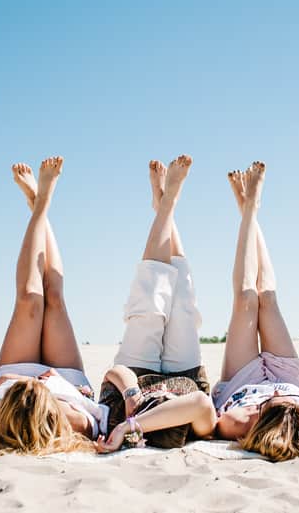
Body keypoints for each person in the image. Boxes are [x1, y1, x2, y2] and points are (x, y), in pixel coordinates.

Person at [0, 157, 104, 458]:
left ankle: (39, 204)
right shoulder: (74, 425)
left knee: (29, 299)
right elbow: (96, 417)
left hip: (11, 386)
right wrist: (56, 388)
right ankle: (41, 202)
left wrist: (20, 383)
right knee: (55, 298)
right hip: (65, 384)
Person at [212, 162, 299, 461]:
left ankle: (248, 210)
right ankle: (250, 209)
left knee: (246, 297)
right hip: (290, 376)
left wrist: (257, 405)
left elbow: (214, 419)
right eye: (281, 403)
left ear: (259, 419)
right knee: (267, 297)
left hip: (241, 383)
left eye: (266, 406)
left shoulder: (239, 423)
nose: (272, 397)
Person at [96, 157, 217, 453]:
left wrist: (131, 400)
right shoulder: (194, 425)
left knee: (150, 298)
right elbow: (200, 402)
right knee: (184, 299)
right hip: (186, 377)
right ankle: (166, 208)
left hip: (134, 374)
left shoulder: (117, 425)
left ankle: (166, 205)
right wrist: (133, 424)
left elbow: (113, 372)